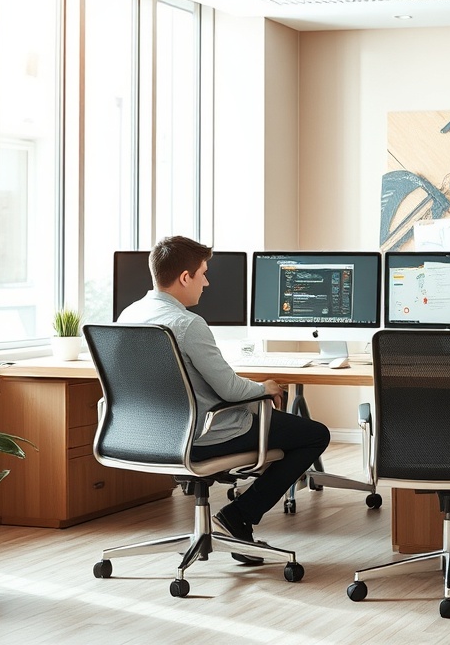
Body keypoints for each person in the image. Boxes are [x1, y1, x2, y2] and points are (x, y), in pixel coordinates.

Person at [119, 236, 331, 564]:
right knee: (314, 435)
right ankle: (238, 515)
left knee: (282, 429)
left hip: (147, 435)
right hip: (203, 435)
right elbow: (230, 390)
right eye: (202, 273)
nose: (206, 281)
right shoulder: (189, 325)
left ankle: (237, 523)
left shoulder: (128, 315)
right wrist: (267, 387)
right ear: (185, 277)